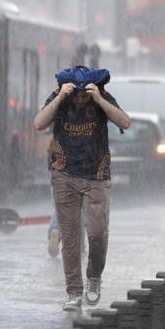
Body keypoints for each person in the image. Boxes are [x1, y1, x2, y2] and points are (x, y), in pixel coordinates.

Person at [34, 65, 131, 311]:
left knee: (97, 233)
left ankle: (94, 277)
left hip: (96, 174)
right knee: (70, 237)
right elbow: (38, 123)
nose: (80, 97)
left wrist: (98, 98)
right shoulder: (60, 97)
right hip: (64, 174)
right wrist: (59, 98)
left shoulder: (100, 96)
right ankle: (74, 293)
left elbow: (124, 122)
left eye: (83, 93)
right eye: (76, 93)